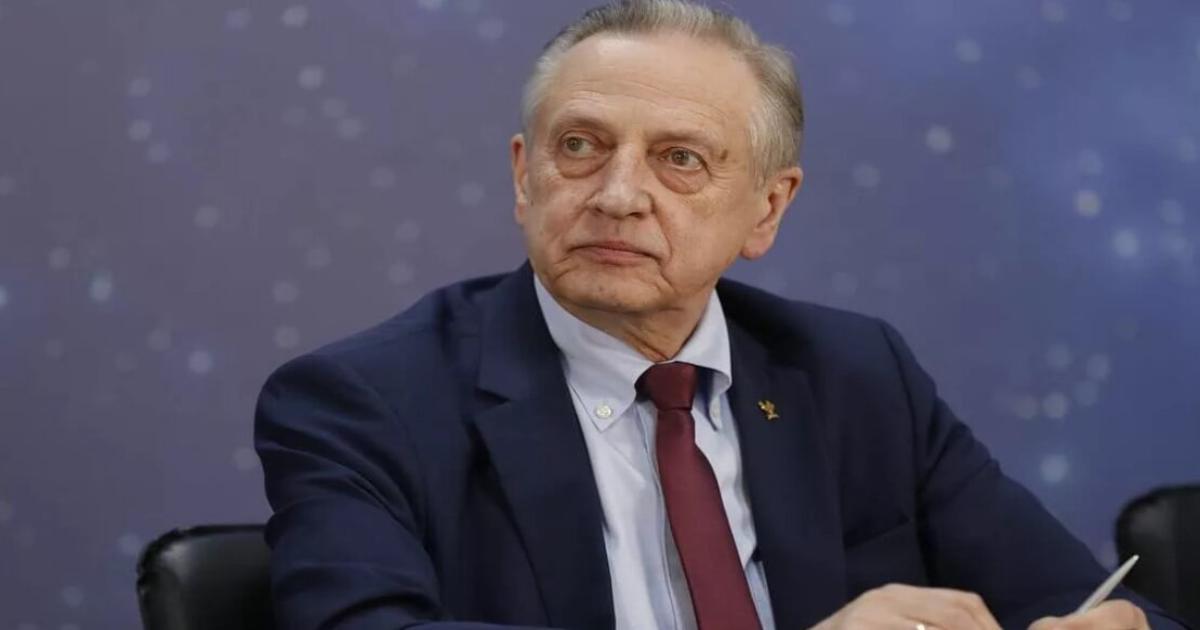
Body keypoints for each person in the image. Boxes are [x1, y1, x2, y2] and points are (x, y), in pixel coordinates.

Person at [254, 1, 1187, 629]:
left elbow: (1076, 599)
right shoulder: (364, 401)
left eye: (681, 159)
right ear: (523, 175)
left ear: (767, 210)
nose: (619, 194)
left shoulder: (857, 376)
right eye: (579, 146)